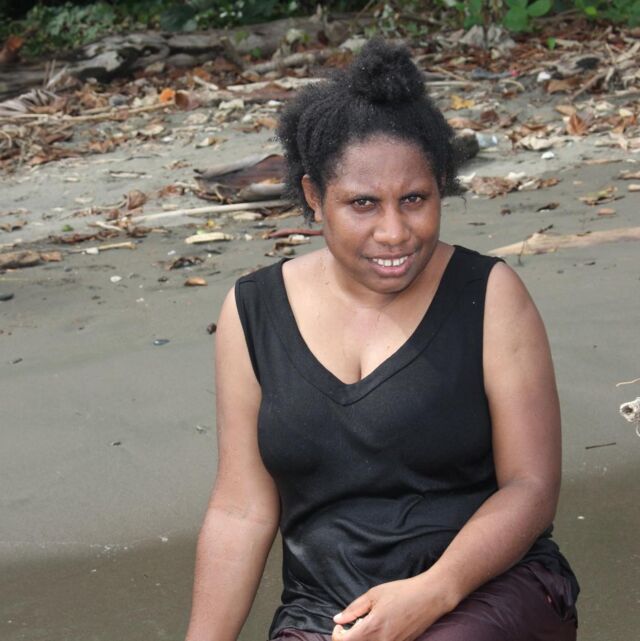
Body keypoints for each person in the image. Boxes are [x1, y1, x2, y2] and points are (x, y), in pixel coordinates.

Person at [185, 39, 579, 641]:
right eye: (363, 204)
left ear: (441, 186)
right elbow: (241, 509)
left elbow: (531, 488)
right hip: (328, 611)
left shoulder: (490, 296)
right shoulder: (253, 312)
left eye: (414, 200)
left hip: (485, 591)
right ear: (314, 197)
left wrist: (434, 591)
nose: (394, 232)